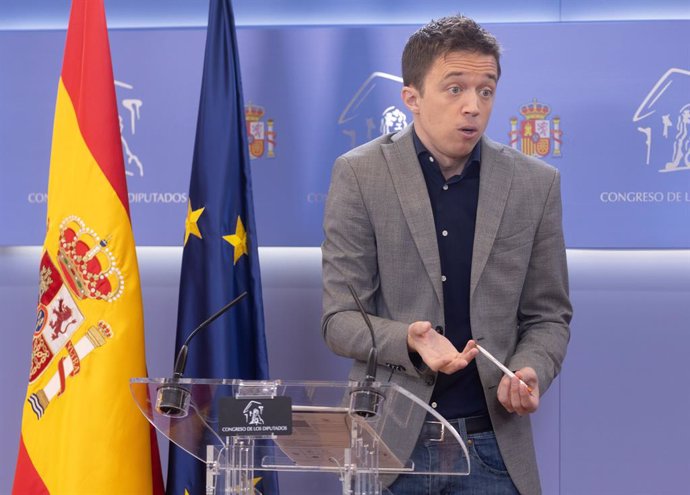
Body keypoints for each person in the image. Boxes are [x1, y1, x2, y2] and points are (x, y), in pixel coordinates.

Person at [321, 15, 572, 495]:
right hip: (388, 442)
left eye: (486, 90)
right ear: (411, 98)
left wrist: (530, 368)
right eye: (454, 89)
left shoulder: (535, 184)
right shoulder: (359, 175)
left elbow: (548, 315)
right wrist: (409, 339)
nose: (473, 107)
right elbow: (339, 319)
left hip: (493, 446)